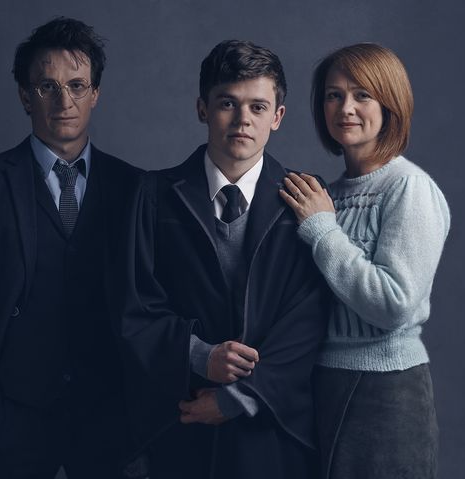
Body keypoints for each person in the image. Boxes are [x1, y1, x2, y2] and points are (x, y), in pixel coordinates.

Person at [0, 17, 141, 478]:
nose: (64, 101)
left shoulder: (135, 188)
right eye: (47, 87)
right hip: (10, 416)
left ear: (95, 94)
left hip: (109, 421)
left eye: (77, 86)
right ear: (26, 96)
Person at [118, 40, 329, 479]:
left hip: (270, 427)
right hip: (181, 418)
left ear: (277, 116)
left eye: (257, 107)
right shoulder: (153, 195)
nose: (242, 119)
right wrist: (200, 355)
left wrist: (239, 398)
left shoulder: (306, 198)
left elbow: (309, 316)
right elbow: (134, 304)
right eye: (227, 103)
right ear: (202, 108)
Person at [279, 43, 451, 478]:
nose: (345, 108)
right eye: (333, 95)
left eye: (362, 95)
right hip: (321, 384)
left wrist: (322, 229)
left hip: (387, 391)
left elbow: (394, 304)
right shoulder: (327, 196)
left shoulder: (408, 188)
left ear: (390, 104)